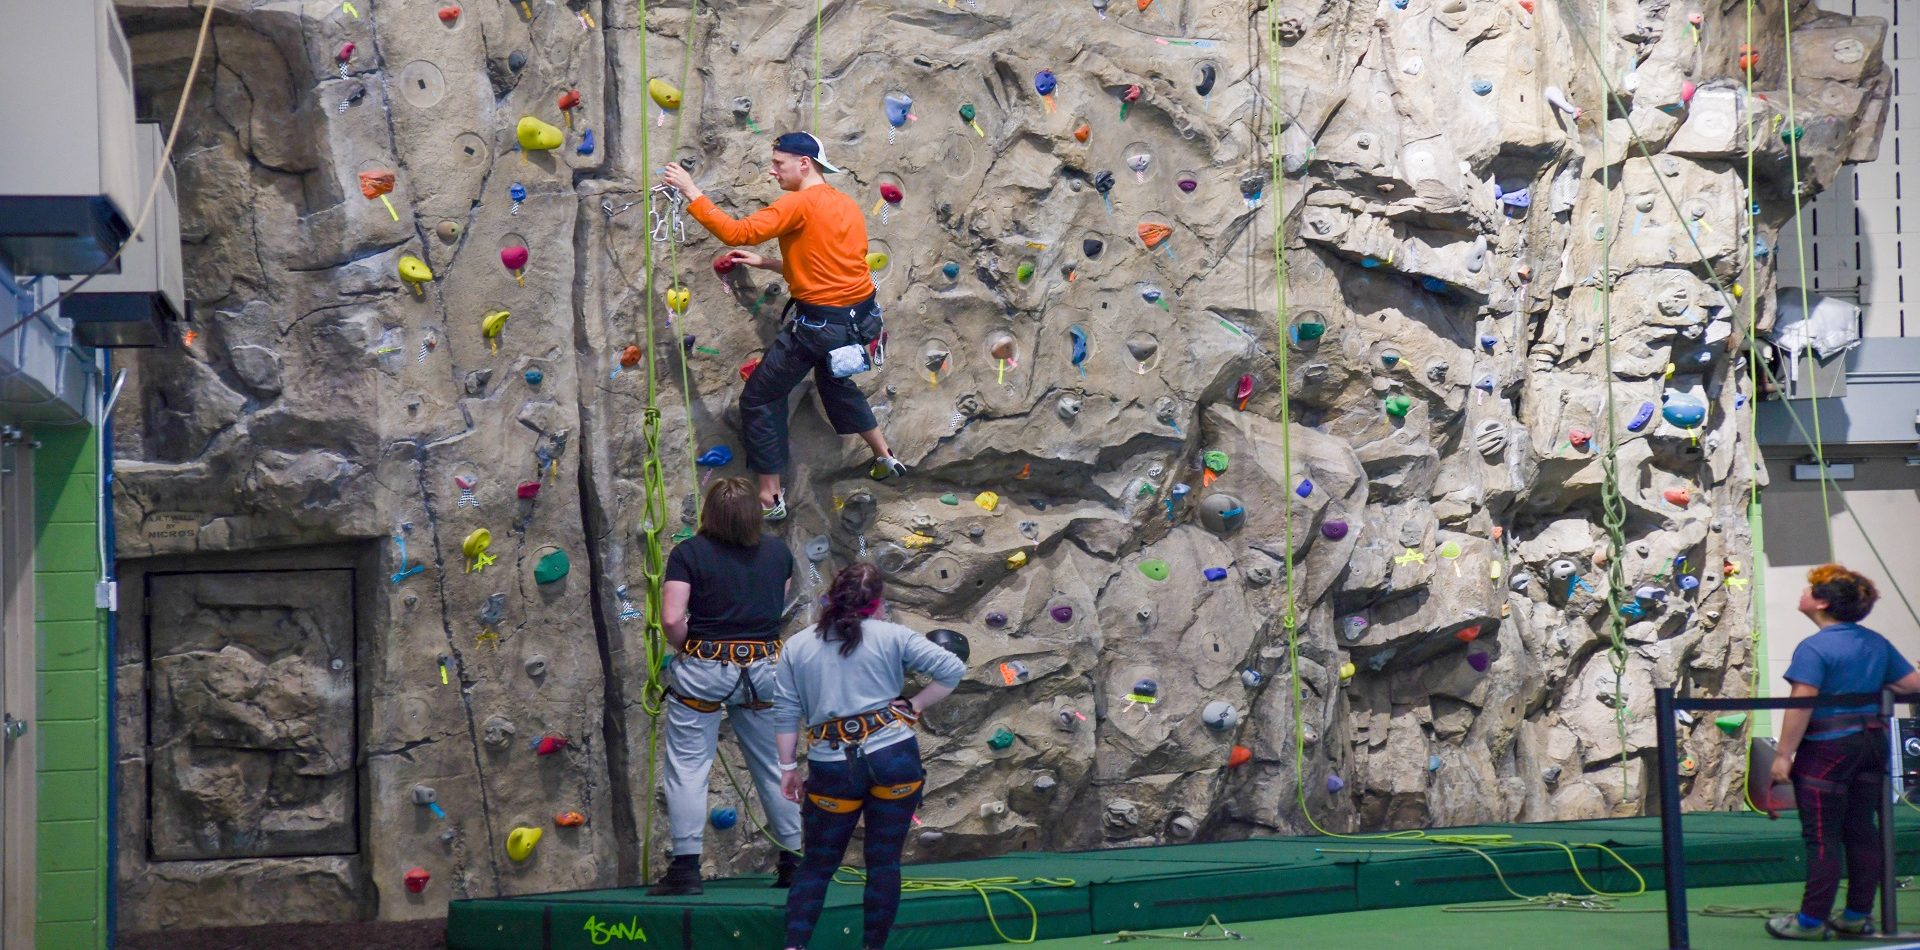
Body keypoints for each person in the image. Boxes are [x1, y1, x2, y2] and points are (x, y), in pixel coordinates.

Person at [659, 132, 907, 523]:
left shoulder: (798, 203)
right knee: (835, 382)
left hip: (819, 327)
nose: (772, 170)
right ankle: (885, 454)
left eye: (779, 163)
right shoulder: (845, 205)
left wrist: (691, 189)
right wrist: (769, 265)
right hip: (858, 322)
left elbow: (736, 232)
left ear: (804, 163)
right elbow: (836, 265)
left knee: (759, 397)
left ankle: (769, 494)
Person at [771, 563, 968, 950]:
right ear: (878, 603)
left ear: (830, 597)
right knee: (883, 862)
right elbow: (952, 667)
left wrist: (788, 767)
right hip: (893, 757)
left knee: (817, 865)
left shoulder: (798, 645)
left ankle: (794, 946)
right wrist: (914, 705)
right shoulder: (894, 636)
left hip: (832, 766)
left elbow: (785, 710)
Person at [649, 476, 804, 896]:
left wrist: (691, 649)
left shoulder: (689, 554)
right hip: (765, 668)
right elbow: (779, 598)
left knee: (688, 765)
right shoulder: (778, 552)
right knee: (775, 765)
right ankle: (794, 861)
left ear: (709, 514)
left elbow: (670, 618)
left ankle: (685, 868)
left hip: (707, 665)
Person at [1765, 564, 1920, 940]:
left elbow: (1802, 701)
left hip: (1827, 749)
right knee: (1862, 831)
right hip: (1871, 746)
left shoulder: (1814, 647)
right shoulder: (1876, 643)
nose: (1803, 594)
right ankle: (1855, 916)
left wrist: (1784, 755)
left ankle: (1810, 922)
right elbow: (1911, 684)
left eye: (1809, 589)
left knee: (1822, 836)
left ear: (1821, 602)